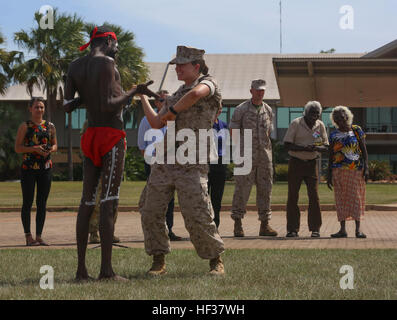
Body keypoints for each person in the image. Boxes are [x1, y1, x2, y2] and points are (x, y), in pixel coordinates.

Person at [64, 25, 158, 281]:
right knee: (108, 201)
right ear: (107, 41)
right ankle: (106, 271)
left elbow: (67, 105)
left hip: (90, 136)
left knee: (86, 202)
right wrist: (134, 91)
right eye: (116, 45)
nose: (117, 50)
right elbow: (108, 105)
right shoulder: (106, 62)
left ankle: (81, 271)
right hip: (111, 137)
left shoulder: (74, 66)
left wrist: (87, 97)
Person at [138, 45, 225, 276]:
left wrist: (173, 112)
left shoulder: (209, 83)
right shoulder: (176, 94)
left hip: (193, 159)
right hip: (166, 159)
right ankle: (158, 260)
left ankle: (215, 260)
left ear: (196, 66)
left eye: (182, 65)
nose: (177, 68)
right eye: (175, 65)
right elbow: (157, 122)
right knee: (150, 209)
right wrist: (142, 97)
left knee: (197, 213)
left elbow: (196, 94)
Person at [229, 79, 277, 237]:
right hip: (246, 156)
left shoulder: (268, 110)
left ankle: (265, 224)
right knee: (242, 189)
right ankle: (238, 224)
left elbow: (269, 133)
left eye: (262, 90)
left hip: (264, 156)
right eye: (257, 90)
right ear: (251, 91)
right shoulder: (241, 109)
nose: (260, 93)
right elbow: (233, 132)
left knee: (265, 189)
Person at [137, 90, 182, 241]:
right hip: (154, 164)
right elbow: (143, 146)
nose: (166, 102)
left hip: (171, 163)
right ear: (156, 103)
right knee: (153, 198)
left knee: (170, 199)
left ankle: (169, 230)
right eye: (162, 100)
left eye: (168, 100)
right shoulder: (147, 120)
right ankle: (154, 231)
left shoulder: (175, 120)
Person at [15, 97, 57, 246]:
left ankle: (39, 236)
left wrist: (49, 150)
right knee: (27, 202)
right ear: (30, 109)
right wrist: (34, 149)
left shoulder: (50, 126)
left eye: (41, 107)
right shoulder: (25, 126)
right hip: (28, 169)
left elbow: (55, 145)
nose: (39, 110)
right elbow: (18, 148)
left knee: (42, 203)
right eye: (36, 107)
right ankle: (28, 236)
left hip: (45, 169)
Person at [283, 101, 328, 238]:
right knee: (293, 196)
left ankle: (315, 229)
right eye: (311, 113)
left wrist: (316, 148)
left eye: (317, 113)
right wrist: (304, 148)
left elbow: (325, 146)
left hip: (312, 163)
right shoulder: (296, 123)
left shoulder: (320, 126)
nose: (314, 116)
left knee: (314, 196)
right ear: (305, 112)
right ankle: (292, 229)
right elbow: (287, 145)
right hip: (296, 162)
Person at [327, 106, 368, 238]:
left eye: (342, 115)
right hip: (337, 170)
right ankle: (342, 230)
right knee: (340, 199)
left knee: (356, 198)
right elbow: (330, 155)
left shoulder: (357, 130)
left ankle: (358, 230)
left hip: (355, 170)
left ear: (348, 116)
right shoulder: (333, 135)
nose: (340, 118)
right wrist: (328, 174)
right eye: (337, 117)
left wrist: (366, 168)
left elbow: (364, 150)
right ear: (334, 120)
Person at [79, 121, 120, 244]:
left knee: (113, 200)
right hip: (97, 165)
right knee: (96, 200)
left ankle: (109, 231)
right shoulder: (91, 121)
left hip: (112, 165)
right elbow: (85, 144)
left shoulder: (117, 120)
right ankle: (93, 232)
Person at [208, 105, 228, 228]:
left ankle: (216, 225)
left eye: (220, 109)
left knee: (217, 196)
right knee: (204, 195)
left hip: (220, 162)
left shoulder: (224, 125)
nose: (218, 111)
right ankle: (206, 224)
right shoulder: (205, 124)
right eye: (216, 108)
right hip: (206, 161)